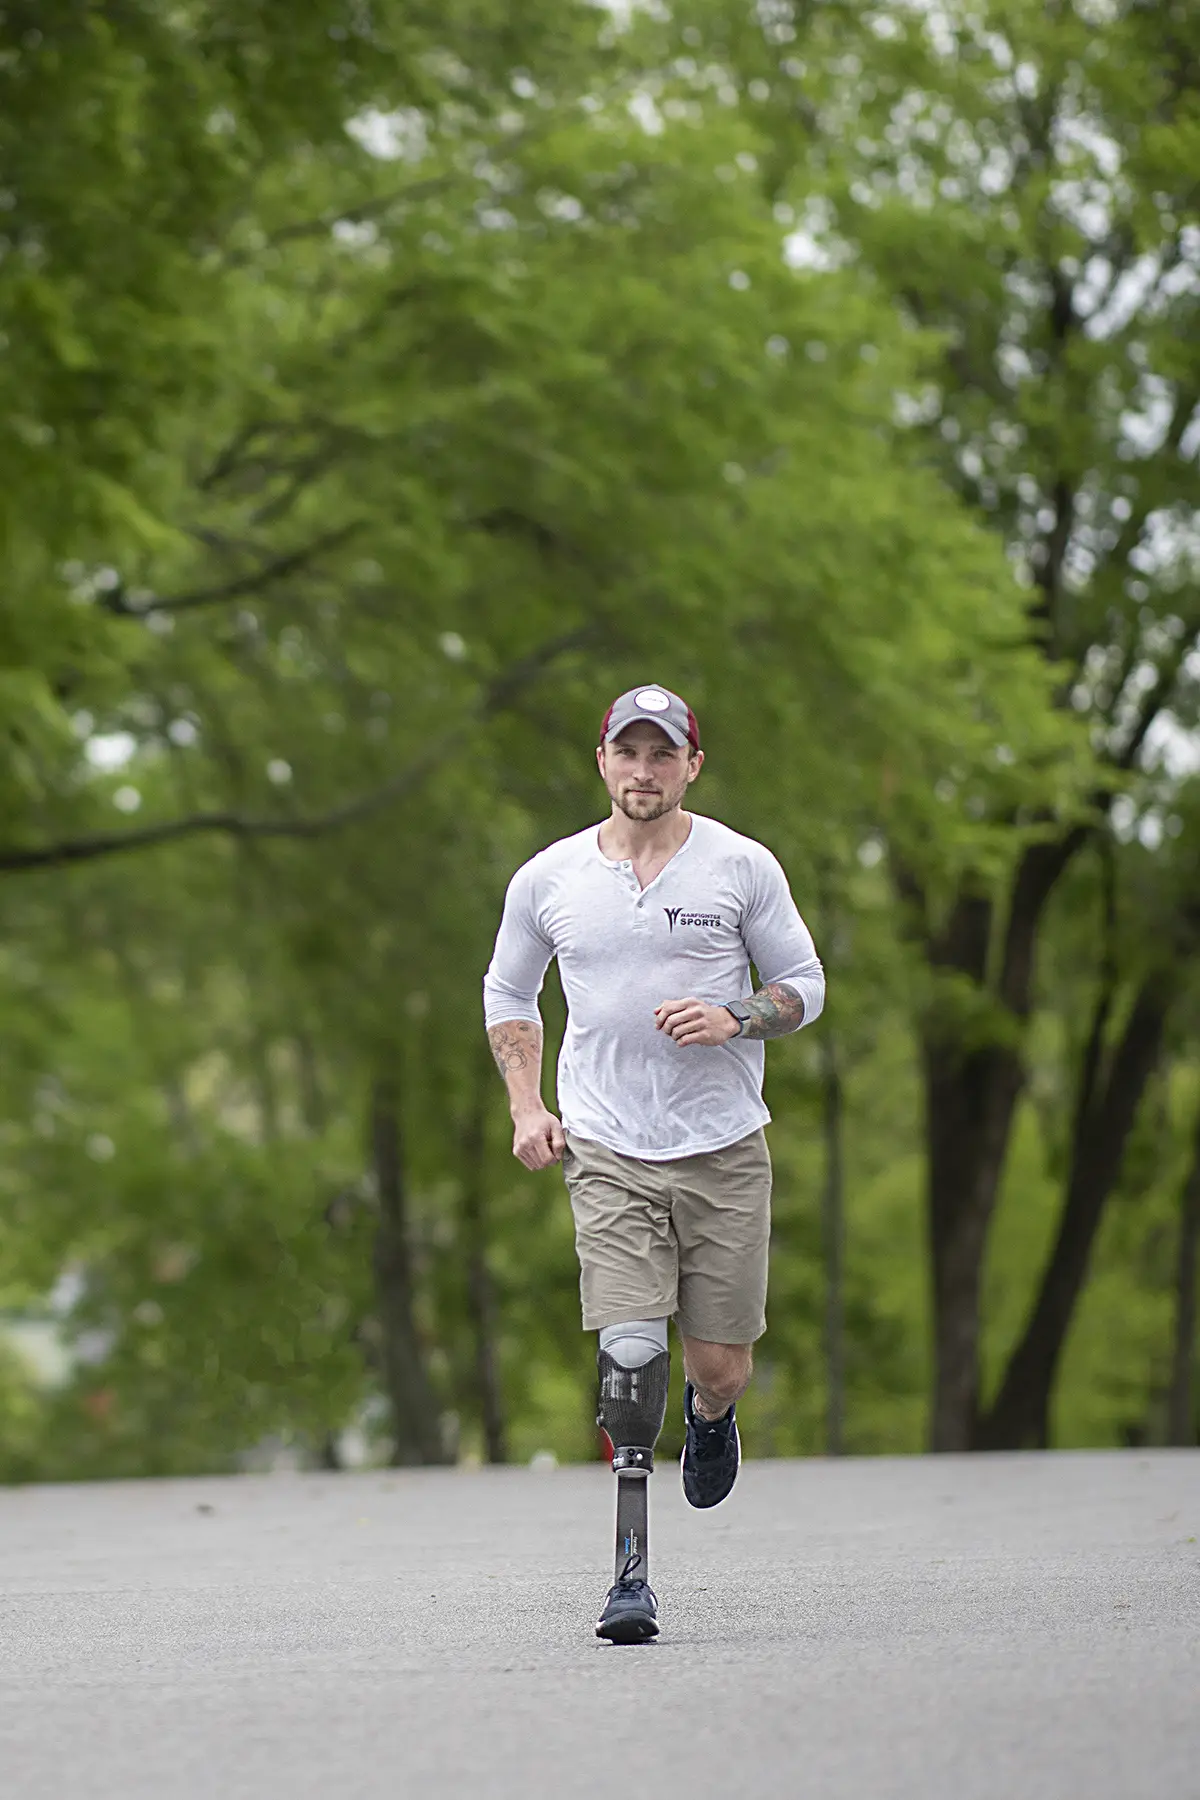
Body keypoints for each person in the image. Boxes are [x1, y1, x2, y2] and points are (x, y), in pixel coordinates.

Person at [482, 683, 824, 1641]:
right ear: (602, 760)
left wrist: (737, 1016)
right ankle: (629, 1579)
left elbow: (804, 985)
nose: (644, 771)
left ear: (691, 766)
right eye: (628, 753)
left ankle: (711, 1417)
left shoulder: (740, 867)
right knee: (629, 1356)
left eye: (662, 755)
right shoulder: (549, 879)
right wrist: (526, 1107)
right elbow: (509, 990)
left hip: (722, 1148)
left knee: (719, 1363)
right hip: (607, 1146)